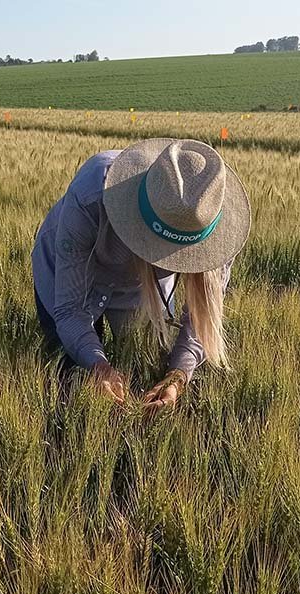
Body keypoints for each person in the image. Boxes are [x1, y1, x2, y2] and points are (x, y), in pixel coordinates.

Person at [31, 138, 252, 412]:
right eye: (162, 249)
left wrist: (177, 376)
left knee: (142, 366)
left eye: (178, 255)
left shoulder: (214, 226)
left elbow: (201, 317)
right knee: (69, 371)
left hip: (139, 288)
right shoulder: (91, 196)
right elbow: (69, 310)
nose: (167, 259)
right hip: (66, 269)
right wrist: (98, 366)